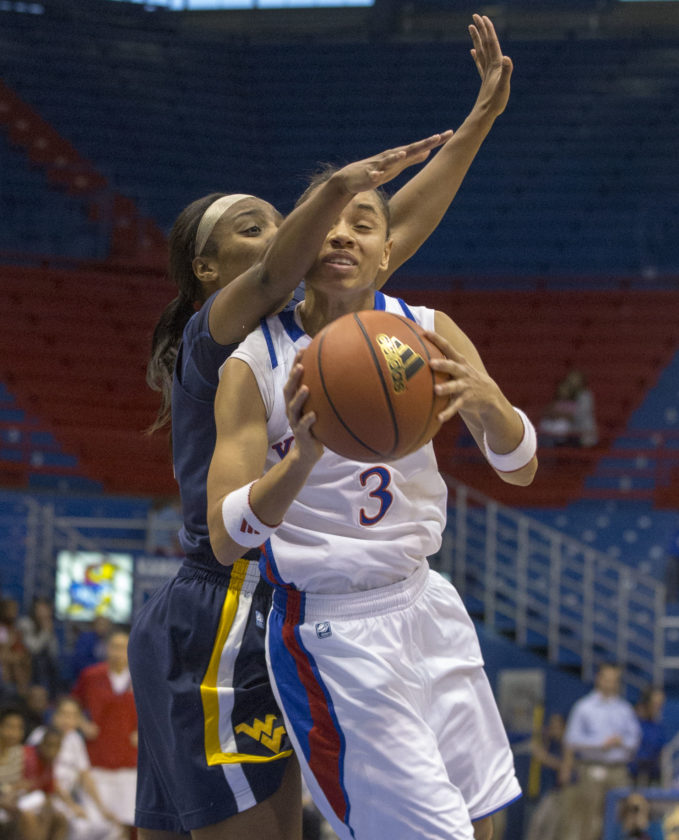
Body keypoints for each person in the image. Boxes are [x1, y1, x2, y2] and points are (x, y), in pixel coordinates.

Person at [129, 15, 514, 840]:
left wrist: (478, 120)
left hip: (301, 601)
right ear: (207, 268)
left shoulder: (333, 318)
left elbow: (390, 234)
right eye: (258, 225)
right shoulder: (223, 334)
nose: (299, 236)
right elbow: (296, 260)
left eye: (288, 219)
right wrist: (342, 185)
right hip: (227, 602)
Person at [205, 155, 537, 838]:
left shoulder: (427, 329)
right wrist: (304, 455)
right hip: (333, 628)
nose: (342, 236)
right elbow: (225, 534)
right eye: (327, 222)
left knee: (482, 818)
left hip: (426, 601)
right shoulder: (254, 362)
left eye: (362, 224)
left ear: (387, 250)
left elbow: (520, 466)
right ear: (299, 240)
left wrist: (487, 400)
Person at [558, 663, 642, 840]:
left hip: (618, 770)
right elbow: (572, 739)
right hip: (591, 769)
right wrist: (600, 744)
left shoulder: (624, 709)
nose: (610, 684)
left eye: (614, 680)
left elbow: (634, 739)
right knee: (589, 817)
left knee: (621, 816)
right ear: (599, 679)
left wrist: (622, 741)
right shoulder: (584, 707)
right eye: (607, 679)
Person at [27, 695, 122, 840]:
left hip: (69, 797)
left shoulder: (75, 739)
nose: (67, 720)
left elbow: (85, 776)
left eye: (73, 716)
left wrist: (102, 808)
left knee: (108, 827)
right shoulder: (41, 735)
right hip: (45, 793)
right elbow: (47, 776)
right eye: (64, 714)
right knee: (79, 828)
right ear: (54, 715)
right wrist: (72, 805)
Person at [71, 631, 137, 835]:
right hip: (98, 758)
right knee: (100, 823)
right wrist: (82, 723)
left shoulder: (140, 677)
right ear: (107, 649)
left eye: (123, 647)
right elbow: (71, 703)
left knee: (129, 822)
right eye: (114, 647)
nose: (118, 652)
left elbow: (156, 709)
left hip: (129, 760)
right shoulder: (91, 676)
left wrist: (142, 731)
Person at [17, 598, 63, 700]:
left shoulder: (48, 623)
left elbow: (53, 650)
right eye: (41, 609)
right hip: (26, 658)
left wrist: (49, 631)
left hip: (45, 660)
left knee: (53, 662)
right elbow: (33, 648)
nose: (44, 612)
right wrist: (46, 631)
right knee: (40, 661)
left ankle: (52, 698)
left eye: (46, 609)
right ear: (34, 610)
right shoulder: (25, 623)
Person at [630, 686, 667, 787]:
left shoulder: (657, 725)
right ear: (646, 703)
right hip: (633, 773)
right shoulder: (632, 722)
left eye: (660, 704)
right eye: (655, 704)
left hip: (652, 773)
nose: (658, 708)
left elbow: (659, 746)